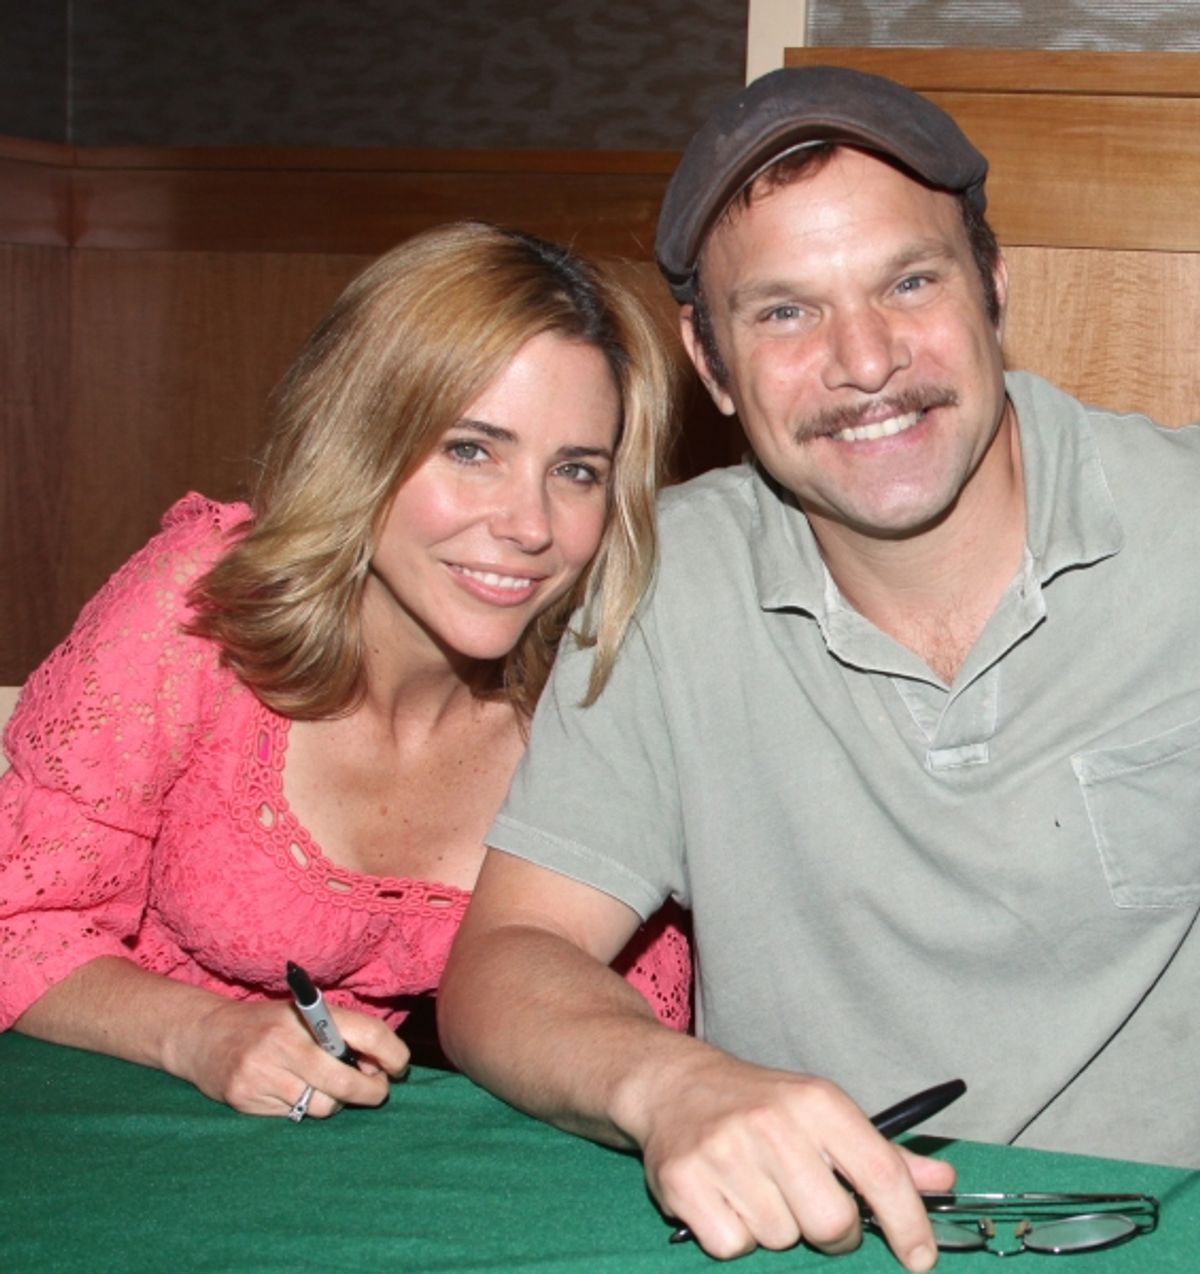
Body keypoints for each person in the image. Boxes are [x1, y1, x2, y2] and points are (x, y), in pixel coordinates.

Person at [438, 65, 1200, 1271]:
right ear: (710, 360)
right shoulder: (663, 583)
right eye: (785, 313)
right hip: (809, 1244)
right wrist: (671, 1084)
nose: (865, 360)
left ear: (993, 289)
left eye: (908, 281)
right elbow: (503, 962)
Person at [0, 221, 689, 1120]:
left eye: (576, 470)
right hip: (131, 1133)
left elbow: (649, 1020)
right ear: (360, 439)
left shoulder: (605, 691)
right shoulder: (198, 615)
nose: (530, 524)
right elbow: (20, 921)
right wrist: (203, 1034)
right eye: (471, 450)